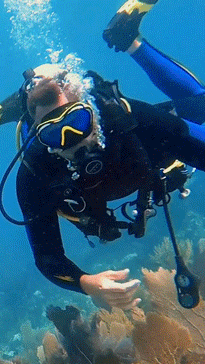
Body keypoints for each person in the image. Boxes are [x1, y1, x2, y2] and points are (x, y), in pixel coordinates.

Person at [16, 0, 205, 310]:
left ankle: (128, 40)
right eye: (54, 133)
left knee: (200, 106)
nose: (71, 140)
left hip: (148, 156)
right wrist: (86, 283)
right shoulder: (36, 172)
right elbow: (47, 257)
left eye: (77, 121)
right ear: (41, 138)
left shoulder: (126, 120)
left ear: (92, 111)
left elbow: (195, 149)